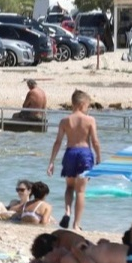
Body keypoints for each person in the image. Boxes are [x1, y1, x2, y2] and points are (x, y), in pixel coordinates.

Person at [48, 89, 101, 231]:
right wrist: (99, 158)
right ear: (82, 104)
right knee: (81, 191)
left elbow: (57, 142)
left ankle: (67, 212)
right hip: (84, 154)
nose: (88, 109)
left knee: (69, 187)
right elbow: (95, 142)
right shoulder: (90, 120)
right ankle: (76, 224)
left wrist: (51, 162)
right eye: (87, 106)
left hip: (70, 153)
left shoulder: (65, 121)